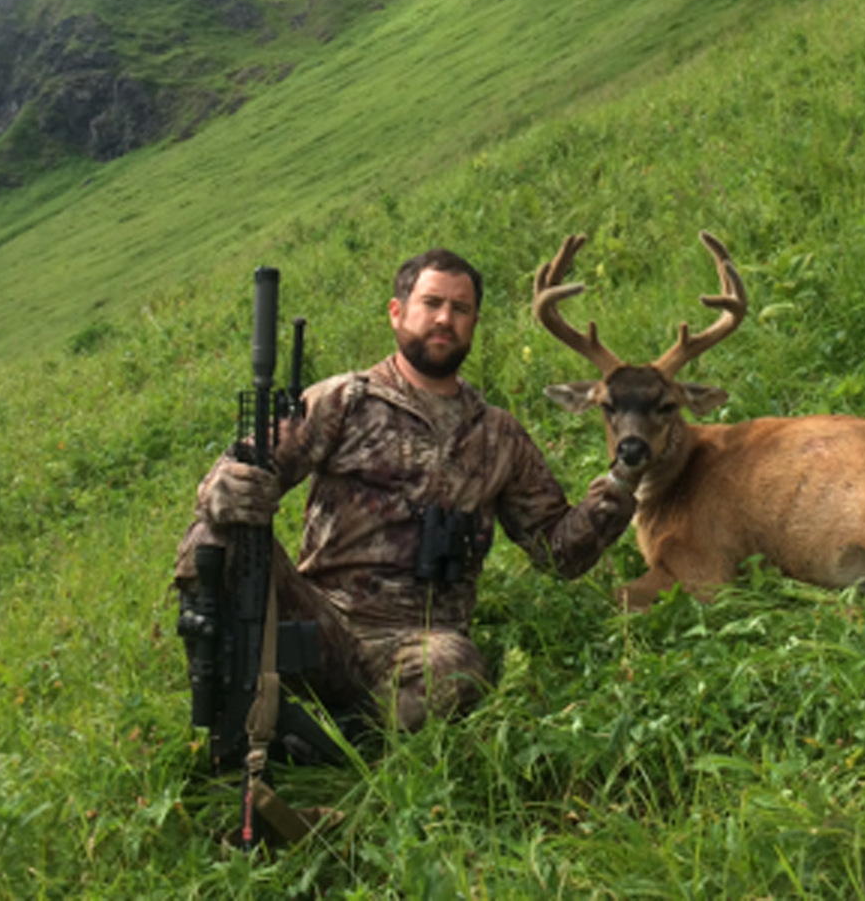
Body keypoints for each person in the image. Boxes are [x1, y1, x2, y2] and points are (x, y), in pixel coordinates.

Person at [175, 247, 637, 735]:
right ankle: (229, 708)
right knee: (213, 538)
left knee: (455, 668)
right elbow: (242, 469)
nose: (444, 318)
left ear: (474, 324)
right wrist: (225, 490)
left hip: (418, 645)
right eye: (431, 303)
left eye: (461, 309)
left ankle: (339, 737)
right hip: (321, 624)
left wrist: (616, 493)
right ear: (398, 313)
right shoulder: (344, 401)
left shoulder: (498, 435)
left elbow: (557, 550)